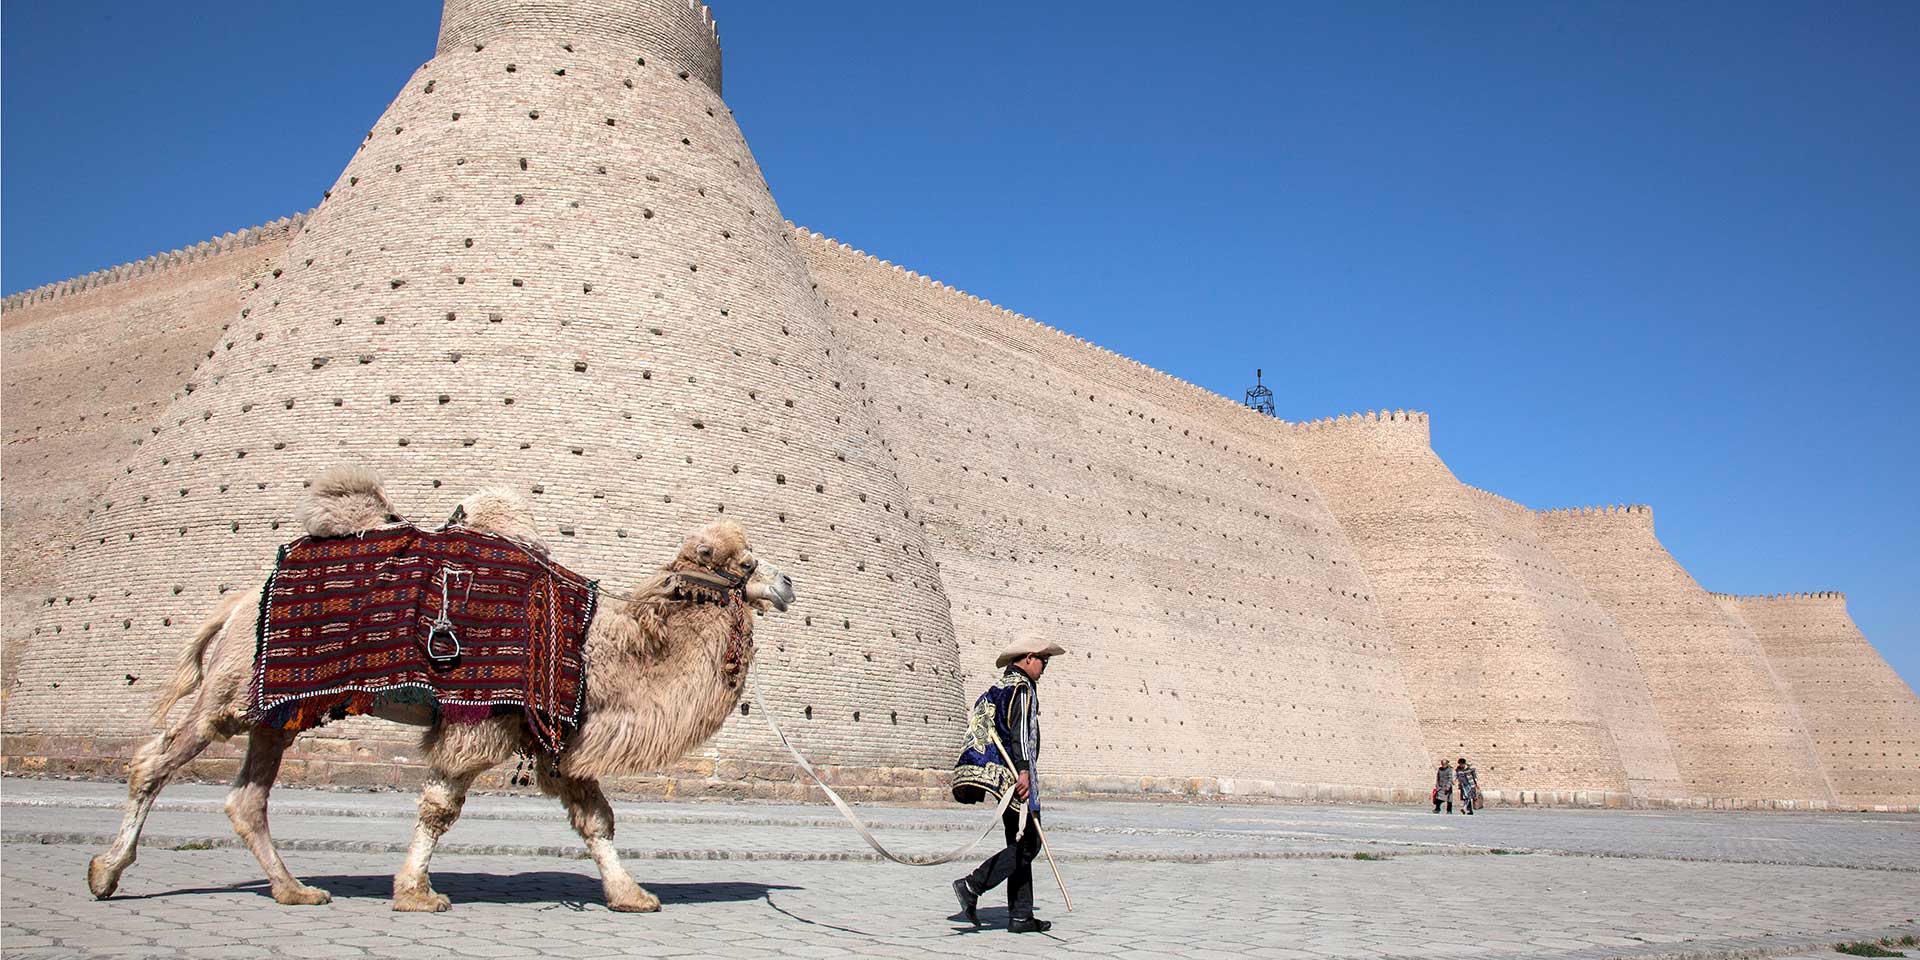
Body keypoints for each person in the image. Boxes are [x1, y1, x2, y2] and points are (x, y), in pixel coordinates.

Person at [950, 634, 1063, 934]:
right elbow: (1020, 735)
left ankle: (1021, 915)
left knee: (1018, 841)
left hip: (1004, 778)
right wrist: (1025, 772)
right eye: (1043, 660)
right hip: (1019, 777)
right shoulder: (1022, 689)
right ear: (1027, 658)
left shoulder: (999, 688)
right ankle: (972, 885)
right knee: (1029, 844)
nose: (1044, 666)